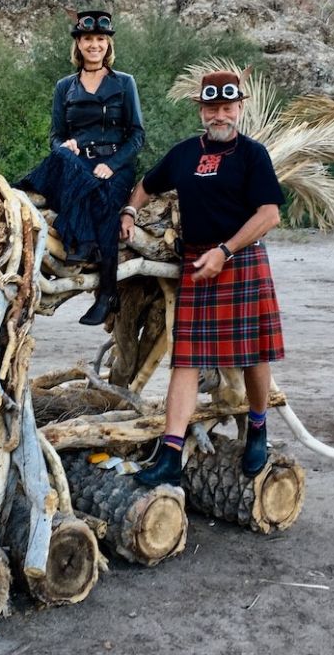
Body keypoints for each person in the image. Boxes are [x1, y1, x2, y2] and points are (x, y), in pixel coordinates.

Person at [120, 69, 285, 485]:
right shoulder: (183, 154)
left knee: (253, 353)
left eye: (227, 107)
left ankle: (259, 428)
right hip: (197, 262)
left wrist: (225, 251)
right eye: (212, 108)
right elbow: (146, 185)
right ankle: (170, 455)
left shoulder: (253, 155)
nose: (219, 115)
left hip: (240, 259)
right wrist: (129, 210)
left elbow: (269, 214)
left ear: (239, 109)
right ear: (201, 111)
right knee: (187, 360)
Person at [18, 10, 144, 325]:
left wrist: (113, 165)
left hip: (113, 164)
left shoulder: (125, 83)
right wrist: (66, 146)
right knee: (61, 159)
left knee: (102, 196)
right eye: (88, 38)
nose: (94, 44)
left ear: (108, 44)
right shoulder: (65, 87)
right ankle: (87, 247)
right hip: (77, 162)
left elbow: (137, 135)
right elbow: (56, 137)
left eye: (100, 39)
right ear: (78, 43)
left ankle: (106, 292)